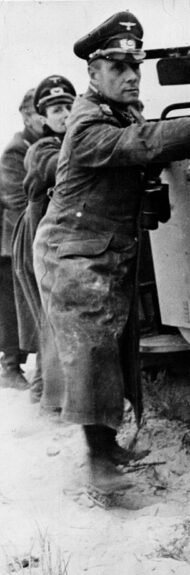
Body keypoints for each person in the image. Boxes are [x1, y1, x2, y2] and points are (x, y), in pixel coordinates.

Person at [33, 11, 190, 491]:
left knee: (113, 348)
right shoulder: (87, 122)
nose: (132, 76)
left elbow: (141, 149)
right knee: (95, 350)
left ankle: (108, 446)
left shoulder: (121, 112)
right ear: (93, 75)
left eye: (134, 66)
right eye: (118, 67)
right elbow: (141, 143)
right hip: (73, 253)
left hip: (103, 247)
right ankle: (99, 468)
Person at [12, 75, 76, 404]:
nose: (64, 114)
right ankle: (47, 397)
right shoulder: (41, 149)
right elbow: (59, 167)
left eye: (68, 106)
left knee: (56, 319)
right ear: (43, 118)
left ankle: (47, 393)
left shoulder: (70, 142)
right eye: (56, 110)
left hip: (53, 242)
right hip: (33, 242)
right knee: (49, 320)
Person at [0, 89, 43, 389]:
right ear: (28, 116)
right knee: (14, 309)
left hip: (31, 235)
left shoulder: (42, 141)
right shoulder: (17, 149)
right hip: (13, 242)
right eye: (38, 112)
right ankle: (10, 369)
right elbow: (16, 199)